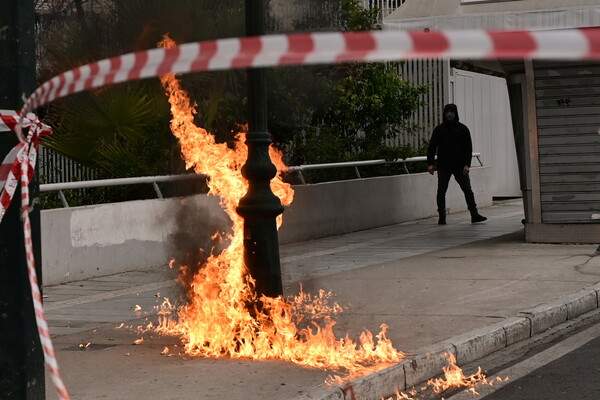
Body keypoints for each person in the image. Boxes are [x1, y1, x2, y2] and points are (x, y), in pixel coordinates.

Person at [427, 103, 487, 225]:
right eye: (447, 111)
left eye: (452, 111)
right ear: (444, 113)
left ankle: (474, 214)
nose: (450, 114)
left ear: (456, 113)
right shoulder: (439, 130)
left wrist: (467, 164)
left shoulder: (463, 129)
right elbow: (432, 147)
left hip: (460, 166)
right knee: (441, 191)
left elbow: (468, 148)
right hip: (444, 166)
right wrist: (430, 164)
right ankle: (442, 216)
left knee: (467, 189)